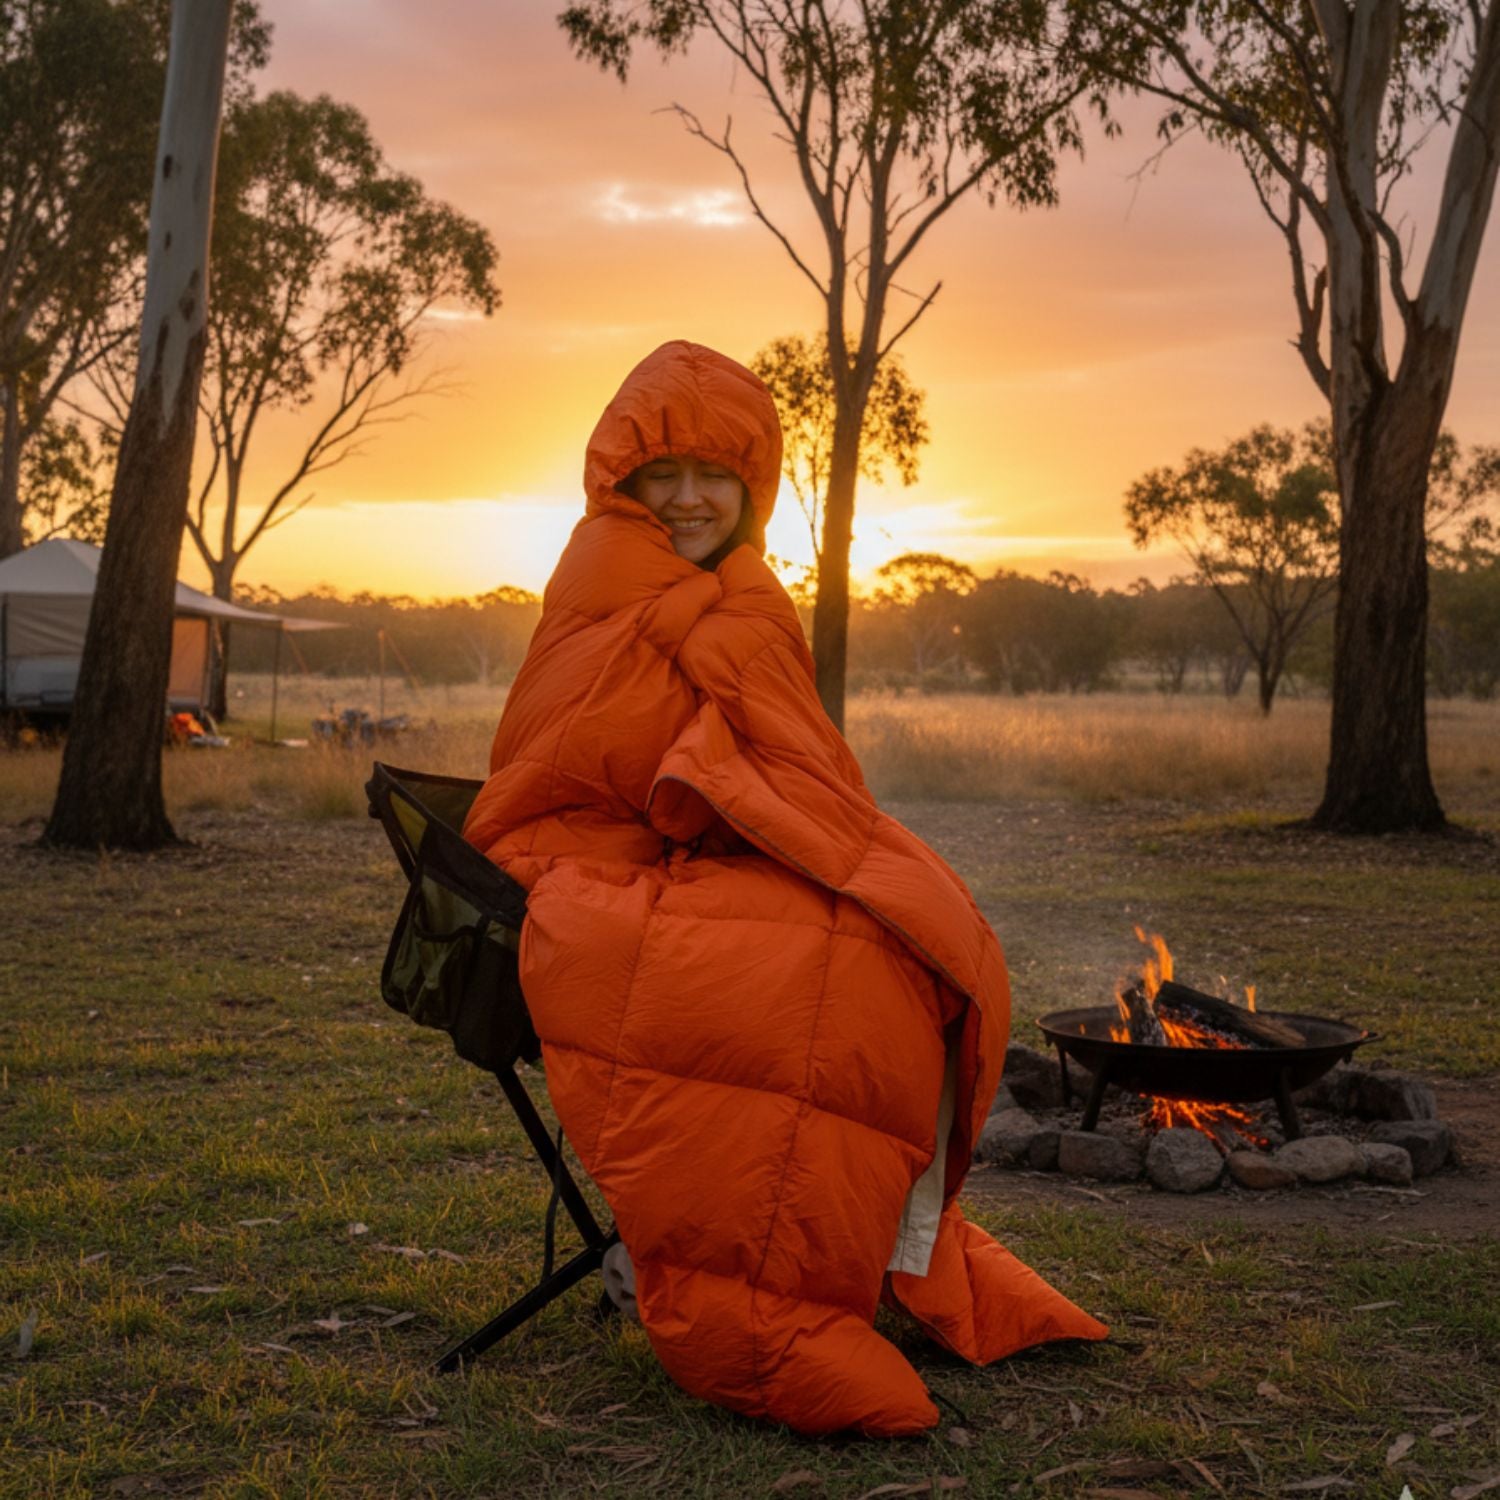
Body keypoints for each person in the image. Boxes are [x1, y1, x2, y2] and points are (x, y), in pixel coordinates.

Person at [463, 339, 1106, 1436]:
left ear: (753, 487)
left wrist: (745, 800)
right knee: (830, 978)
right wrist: (705, 790)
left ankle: (873, 1256)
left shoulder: (747, 599)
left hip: (699, 854)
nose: (689, 498)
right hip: (585, 868)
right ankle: (768, 1311)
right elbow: (569, 761)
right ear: (620, 485)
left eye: (715, 475)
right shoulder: (603, 586)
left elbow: (792, 763)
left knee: (927, 931)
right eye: (661, 476)